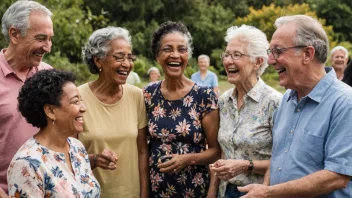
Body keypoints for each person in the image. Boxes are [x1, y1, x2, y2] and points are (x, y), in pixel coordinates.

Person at [239, 15, 352, 198]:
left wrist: (268, 193)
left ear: (307, 54)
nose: (270, 60)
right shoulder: (286, 99)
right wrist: (265, 189)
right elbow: (277, 161)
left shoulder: (345, 102)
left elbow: (337, 176)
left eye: (277, 51)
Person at [143, 21, 221, 198]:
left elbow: (216, 150)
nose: (175, 55)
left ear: (188, 55)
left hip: (193, 189)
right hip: (157, 189)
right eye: (167, 49)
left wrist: (188, 159)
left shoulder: (204, 96)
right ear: (157, 56)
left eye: (182, 49)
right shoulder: (148, 95)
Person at [210, 25, 282, 198]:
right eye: (226, 54)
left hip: (256, 193)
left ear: (258, 62)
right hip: (224, 191)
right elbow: (222, 152)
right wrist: (212, 193)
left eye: (237, 55)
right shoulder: (224, 101)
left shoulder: (275, 103)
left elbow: (282, 161)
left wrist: (244, 165)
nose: (228, 61)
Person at [7, 69, 100, 197]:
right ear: (50, 111)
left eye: (81, 100)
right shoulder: (27, 163)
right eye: (75, 101)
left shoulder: (77, 147)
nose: (83, 108)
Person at [80, 26, 148, 198]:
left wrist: (144, 193)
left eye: (130, 57)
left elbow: (142, 151)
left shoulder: (136, 95)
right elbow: (65, 156)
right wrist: (94, 159)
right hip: (91, 194)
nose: (127, 64)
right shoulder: (77, 97)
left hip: (131, 194)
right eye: (119, 57)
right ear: (98, 60)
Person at [0, 1, 53, 196]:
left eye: (50, 39)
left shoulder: (47, 74)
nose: (47, 47)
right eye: (41, 38)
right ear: (14, 34)